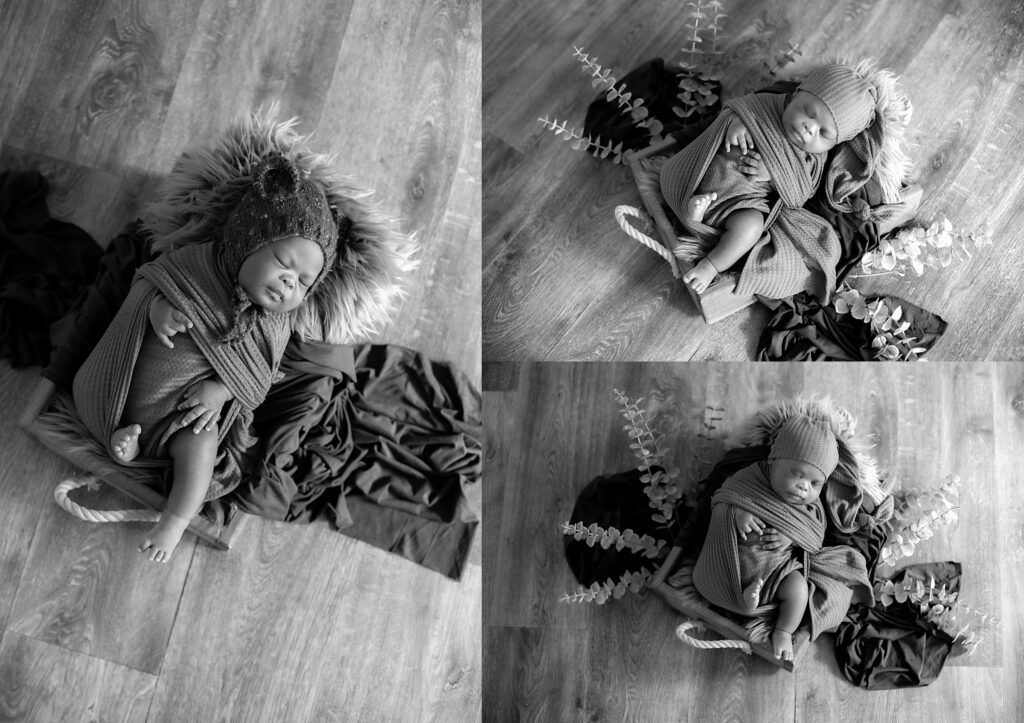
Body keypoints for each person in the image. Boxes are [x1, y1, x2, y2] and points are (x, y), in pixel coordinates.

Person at [72, 153, 343, 563]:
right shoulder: (195, 265)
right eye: (284, 263)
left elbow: (256, 380)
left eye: (305, 283)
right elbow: (147, 283)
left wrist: (219, 391)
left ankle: (175, 518)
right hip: (129, 378)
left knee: (201, 446)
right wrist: (157, 310)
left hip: (184, 417)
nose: (290, 283)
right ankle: (118, 435)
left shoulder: (275, 326)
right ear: (250, 240)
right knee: (99, 385)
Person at [661, 60, 895, 298]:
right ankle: (693, 205)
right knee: (693, 168)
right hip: (710, 168)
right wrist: (736, 123)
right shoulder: (767, 105)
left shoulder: (814, 160)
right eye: (808, 112)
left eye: (823, 133)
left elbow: (799, 193)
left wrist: (775, 175)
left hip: (740, 203)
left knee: (750, 227)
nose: (809, 128)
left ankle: (710, 264)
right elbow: (739, 108)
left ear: (834, 144)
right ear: (796, 94)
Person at [692, 413, 842, 662]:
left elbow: (815, 537)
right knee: (721, 560)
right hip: (730, 559)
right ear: (773, 461)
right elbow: (722, 497)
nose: (804, 486)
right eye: (797, 474)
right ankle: (743, 594)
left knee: (798, 589)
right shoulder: (750, 478)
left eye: (815, 483)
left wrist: (791, 536)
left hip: (774, 573)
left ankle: (783, 631)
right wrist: (737, 512)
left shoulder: (811, 509)